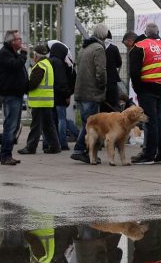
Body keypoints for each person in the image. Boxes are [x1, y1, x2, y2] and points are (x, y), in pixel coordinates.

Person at [129, 23, 161, 165]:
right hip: (160, 88)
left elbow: (134, 72)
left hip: (146, 88)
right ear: (158, 32)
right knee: (160, 120)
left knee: (150, 121)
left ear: (145, 33)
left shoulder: (139, 46)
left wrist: (139, 89)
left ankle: (148, 155)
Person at [70, 24, 108, 164]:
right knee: (91, 124)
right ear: (103, 36)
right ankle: (80, 150)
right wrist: (102, 86)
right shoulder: (98, 48)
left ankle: (86, 152)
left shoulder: (84, 47)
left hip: (81, 90)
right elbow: (101, 71)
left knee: (87, 123)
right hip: (92, 92)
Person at [17, 45, 61, 155]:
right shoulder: (48, 65)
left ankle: (31, 147)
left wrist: (24, 87)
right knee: (48, 125)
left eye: (33, 55)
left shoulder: (40, 66)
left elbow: (33, 83)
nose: (33, 57)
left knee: (36, 126)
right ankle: (55, 146)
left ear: (36, 55)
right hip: (47, 101)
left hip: (39, 101)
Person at [0, 30, 28, 165]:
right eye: (18, 39)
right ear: (12, 42)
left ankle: (4, 153)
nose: (21, 41)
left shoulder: (12, 53)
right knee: (11, 125)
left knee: (12, 126)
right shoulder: (5, 53)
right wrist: (24, 54)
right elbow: (16, 66)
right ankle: (5, 155)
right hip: (10, 94)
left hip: (16, 93)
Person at [47, 40, 75, 151]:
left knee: (52, 120)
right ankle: (63, 143)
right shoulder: (60, 63)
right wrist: (67, 94)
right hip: (60, 96)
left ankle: (52, 142)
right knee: (62, 119)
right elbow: (62, 82)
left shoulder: (48, 61)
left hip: (49, 96)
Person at [102, 30, 123, 112]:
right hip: (112, 79)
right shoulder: (114, 48)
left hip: (100, 80)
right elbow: (119, 63)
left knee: (103, 104)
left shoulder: (97, 47)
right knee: (113, 103)